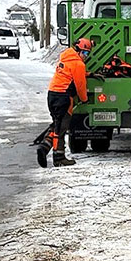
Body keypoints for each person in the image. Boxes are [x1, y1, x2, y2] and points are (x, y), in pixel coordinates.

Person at [39, 38, 92, 168]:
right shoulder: (78, 64)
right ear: (78, 50)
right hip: (63, 97)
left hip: (52, 94)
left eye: (87, 54)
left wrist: (87, 74)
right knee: (61, 128)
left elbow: (71, 73)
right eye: (85, 53)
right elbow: (80, 86)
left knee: (57, 123)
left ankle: (45, 147)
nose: (85, 56)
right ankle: (59, 158)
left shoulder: (66, 58)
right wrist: (84, 99)